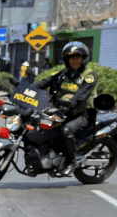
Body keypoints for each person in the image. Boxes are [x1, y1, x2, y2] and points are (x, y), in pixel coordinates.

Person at [32, 41, 97, 175]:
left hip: (82, 114)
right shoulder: (61, 74)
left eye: (78, 57)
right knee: (38, 124)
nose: (75, 60)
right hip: (62, 112)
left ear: (84, 58)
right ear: (67, 60)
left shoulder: (89, 76)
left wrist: (66, 106)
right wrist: (24, 90)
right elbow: (42, 84)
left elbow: (80, 96)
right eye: (71, 57)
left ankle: (71, 161)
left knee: (66, 131)